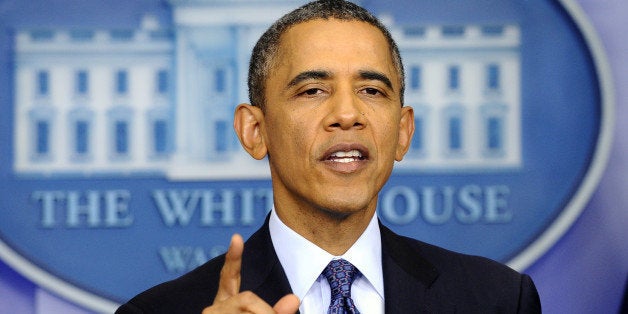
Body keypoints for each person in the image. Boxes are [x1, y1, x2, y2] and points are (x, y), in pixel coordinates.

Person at [116, 0, 541, 313]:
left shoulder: (498, 299)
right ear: (254, 131)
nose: (346, 114)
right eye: (312, 90)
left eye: (372, 91)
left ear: (403, 132)